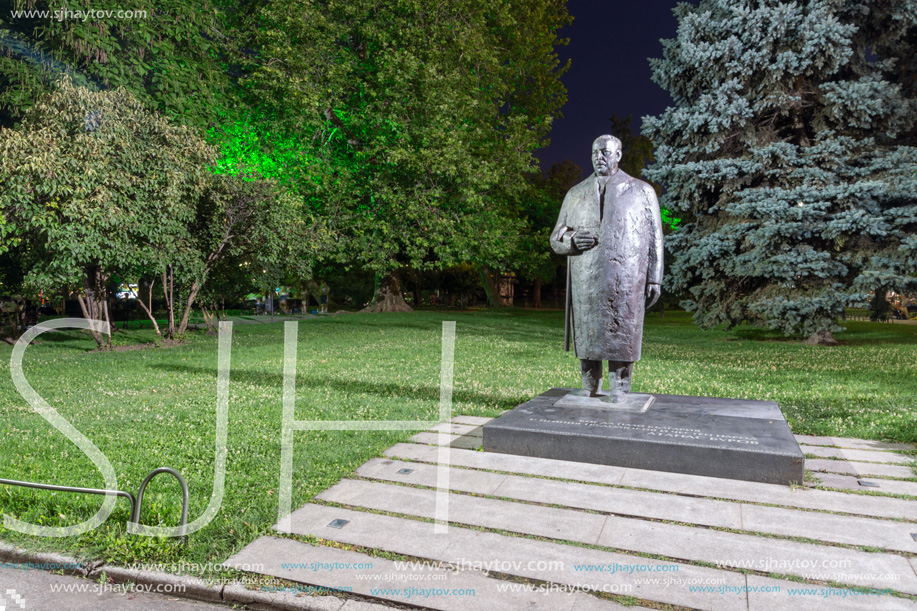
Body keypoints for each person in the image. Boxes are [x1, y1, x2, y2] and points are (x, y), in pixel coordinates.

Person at [550, 135, 664, 402]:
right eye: (594, 152)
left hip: (626, 278)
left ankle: (620, 389)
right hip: (585, 278)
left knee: (623, 333)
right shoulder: (575, 193)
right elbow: (556, 237)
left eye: (604, 152)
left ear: (618, 155)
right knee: (588, 337)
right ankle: (590, 387)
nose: (598, 157)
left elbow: (655, 237)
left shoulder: (641, 191)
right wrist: (571, 240)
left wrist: (654, 279)